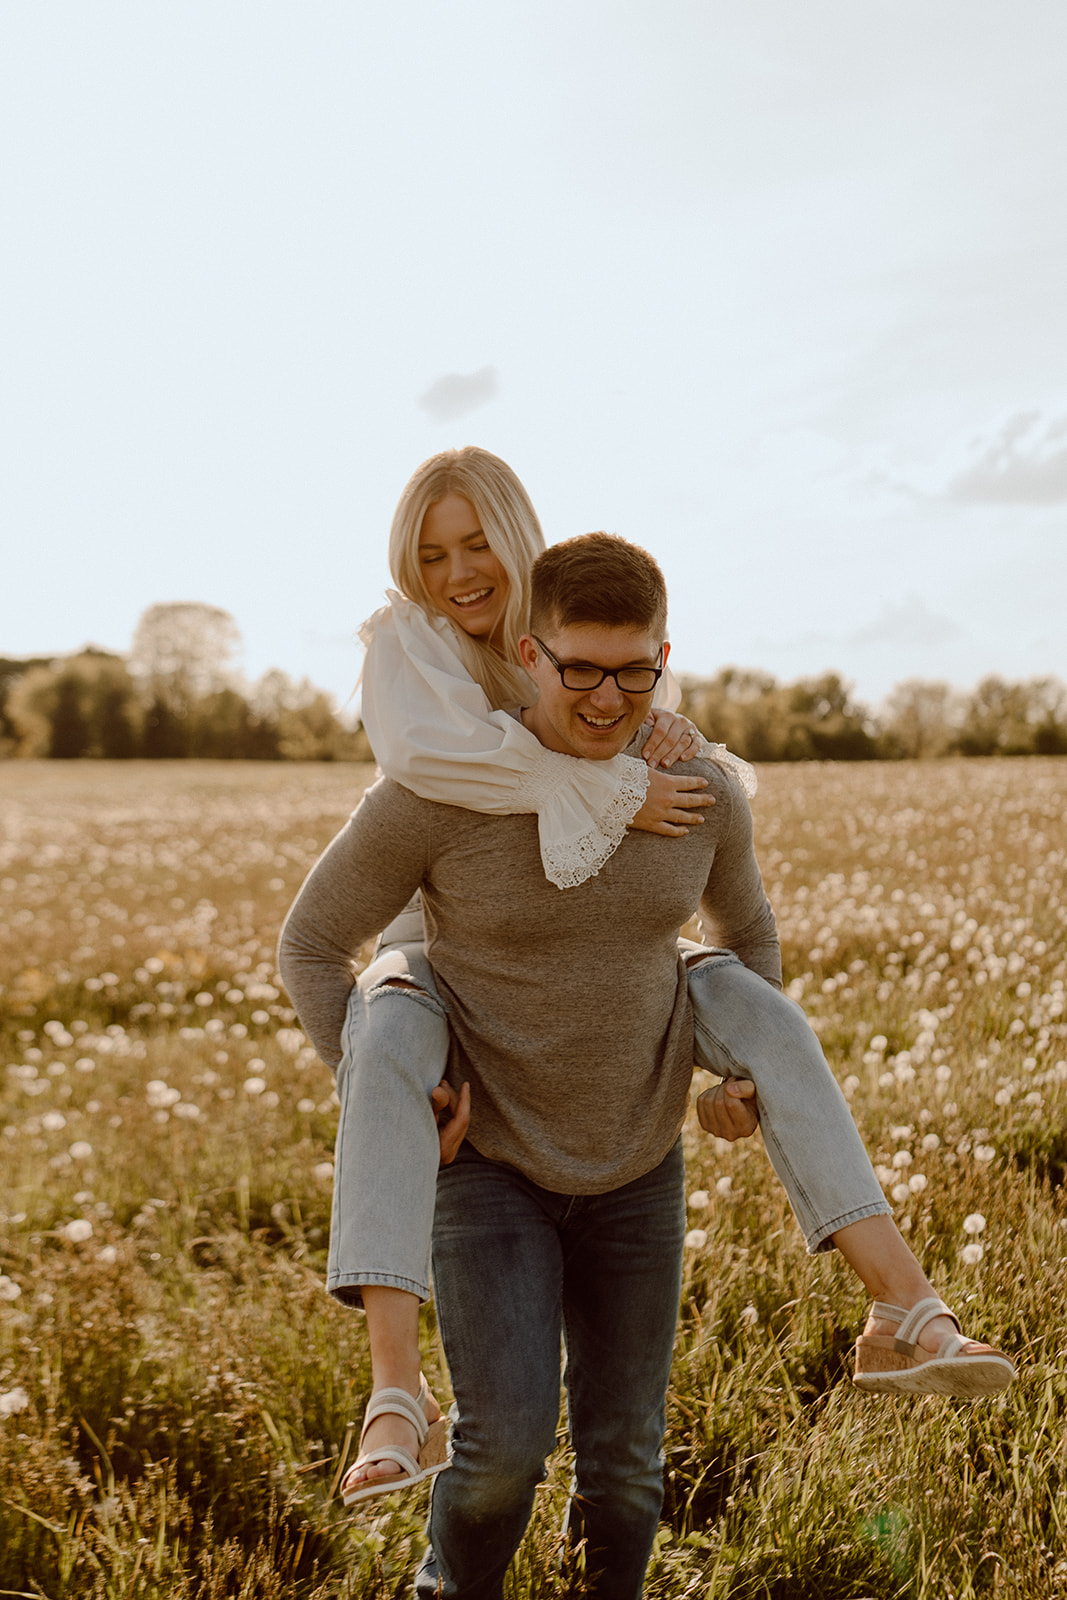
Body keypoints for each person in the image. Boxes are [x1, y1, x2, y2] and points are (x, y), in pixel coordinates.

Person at [280, 531, 1014, 1599]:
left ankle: (900, 1310)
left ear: (664, 655)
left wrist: (741, 1083)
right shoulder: (441, 792)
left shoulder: (694, 784)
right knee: (503, 1453)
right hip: (487, 1168)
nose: (606, 695)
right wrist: (387, 1103)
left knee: (626, 1467)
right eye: (579, 666)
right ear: (529, 654)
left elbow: (747, 935)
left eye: (634, 669)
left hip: (635, 1166)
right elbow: (310, 947)